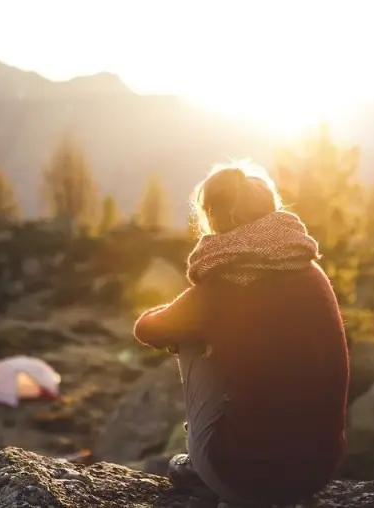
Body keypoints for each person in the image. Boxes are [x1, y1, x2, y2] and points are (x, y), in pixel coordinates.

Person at [132, 161, 350, 506]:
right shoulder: (311, 270)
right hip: (315, 474)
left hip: (243, 481)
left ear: (214, 216)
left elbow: (147, 329)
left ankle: (203, 459)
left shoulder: (223, 284)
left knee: (187, 336)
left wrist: (198, 320)